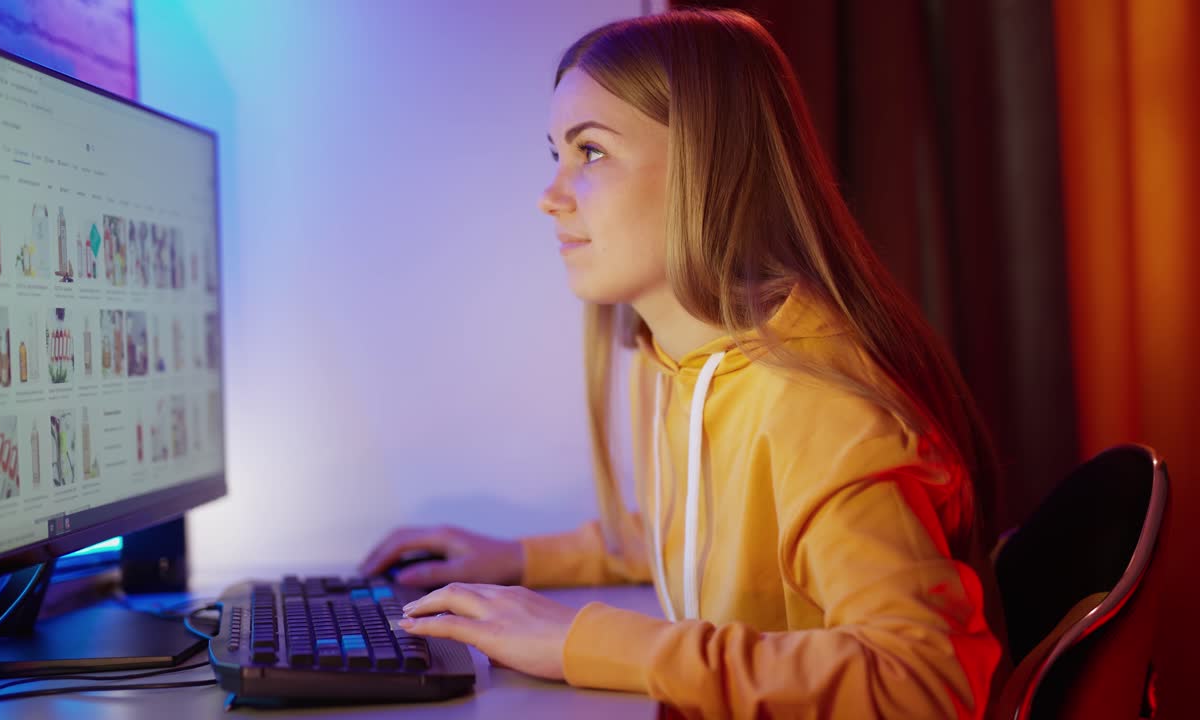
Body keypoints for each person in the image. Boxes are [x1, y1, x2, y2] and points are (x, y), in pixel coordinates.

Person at [362, 8, 1010, 718]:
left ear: (710, 164)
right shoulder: (680, 362)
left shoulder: (816, 405)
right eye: (556, 154)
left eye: (592, 152)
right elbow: (711, 541)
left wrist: (584, 640)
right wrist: (520, 560)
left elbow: (926, 680)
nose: (549, 197)